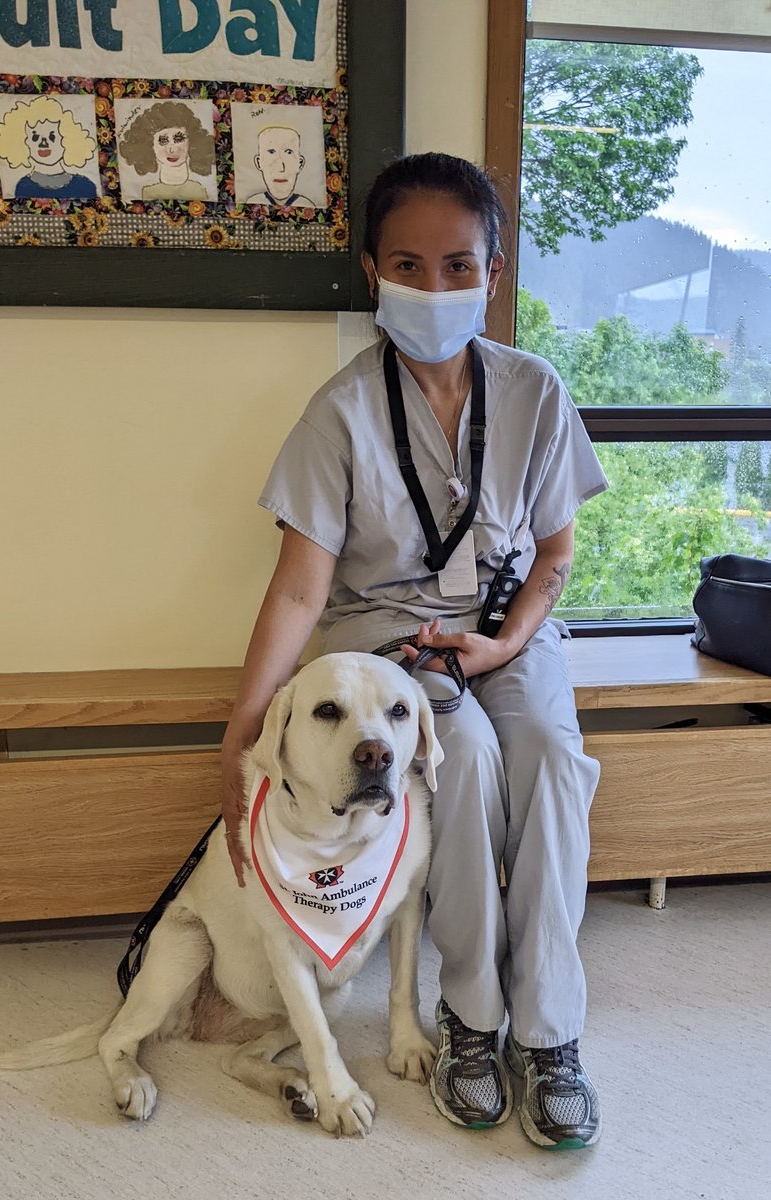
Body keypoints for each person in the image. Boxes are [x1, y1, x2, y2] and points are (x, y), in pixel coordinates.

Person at [220, 151, 608, 1150]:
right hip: (383, 641)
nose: (433, 286)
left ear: (493, 271)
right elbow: (301, 587)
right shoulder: (340, 411)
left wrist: (504, 643)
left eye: (457, 265)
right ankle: (470, 1016)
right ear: (371, 272)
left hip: (505, 628)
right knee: (460, 757)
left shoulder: (534, 391)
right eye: (407, 265)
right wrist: (241, 731)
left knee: (550, 756)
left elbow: (557, 551)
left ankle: (550, 1028)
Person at [0, 96, 98, 199]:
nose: (43, 144)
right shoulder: (23, 187)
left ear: (67, 139)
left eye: (52, 137)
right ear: (23, 141)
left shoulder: (85, 186)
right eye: (35, 137)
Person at [118, 101, 214, 201]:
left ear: (191, 141)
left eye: (179, 139)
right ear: (150, 146)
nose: (172, 149)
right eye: (163, 141)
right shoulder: (147, 192)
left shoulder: (200, 191)